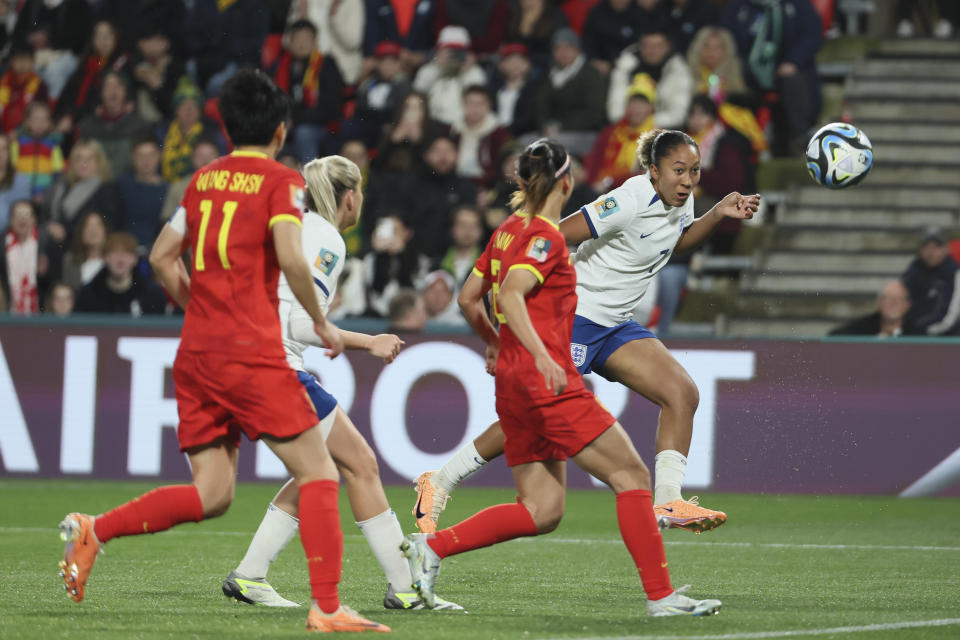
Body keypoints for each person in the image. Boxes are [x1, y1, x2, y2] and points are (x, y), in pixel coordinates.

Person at [56, 68, 389, 633]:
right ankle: (328, 608)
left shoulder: (202, 180)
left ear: (228, 127)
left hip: (197, 356)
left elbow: (163, 257)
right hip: (251, 354)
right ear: (281, 132)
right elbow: (289, 257)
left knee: (211, 494)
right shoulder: (280, 182)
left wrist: (204, 311)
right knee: (322, 471)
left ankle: (95, 530)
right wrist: (320, 322)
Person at [400, 138, 723, 617]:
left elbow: (471, 298)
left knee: (543, 510)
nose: (689, 179)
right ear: (566, 183)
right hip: (545, 371)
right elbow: (510, 294)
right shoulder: (548, 236)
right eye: (681, 169)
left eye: (695, 171)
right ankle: (661, 598)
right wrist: (540, 355)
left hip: (526, 371)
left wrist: (495, 342)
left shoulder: (509, 230)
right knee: (631, 475)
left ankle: (432, 547)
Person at [221, 155, 461, 612]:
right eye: (360, 193)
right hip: (275, 366)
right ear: (349, 196)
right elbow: (301, 324)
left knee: (316, 468)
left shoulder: (287, 226)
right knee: (362, 465)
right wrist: (367, 341)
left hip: (244, 360)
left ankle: (250, 575)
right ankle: (407, 588)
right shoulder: (326, 239)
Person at [271, 19, 345, 165]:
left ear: (315, 42)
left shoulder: (326, 65)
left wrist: (295, 120)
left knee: (304, 133)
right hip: (287, 125)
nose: (301, 43)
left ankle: (310, 182)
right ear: (289, 42)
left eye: (306, 38)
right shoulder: (279, 67)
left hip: (320, 127)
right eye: (297, 38)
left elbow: (330, 108)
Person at [538, 27, 607, 157]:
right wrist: (545, 125)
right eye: (558, 48)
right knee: (524, 142)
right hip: (553, 131)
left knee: (549, 146)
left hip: (586, 133)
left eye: (568, 47)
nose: (563, 52)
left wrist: (561, 126)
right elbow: (541, 106)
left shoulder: (590, 75)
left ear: (577, 50)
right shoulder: (549, 76)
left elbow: (594, 114)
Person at [608, 27, 694, 129]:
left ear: (667, 47)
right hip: (626, 128)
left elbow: (678, 115)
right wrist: (632, 122)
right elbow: (615, 111)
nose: (652, 51)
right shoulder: (625, 66)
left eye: (657, 46)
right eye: (647, 46)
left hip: (665, 131)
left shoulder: (679, 70)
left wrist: (646, 122)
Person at [74, 231, 167, 316]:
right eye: (115, 253)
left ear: (135, 259)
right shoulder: (88, 295)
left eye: (126, 253)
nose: (121, 259)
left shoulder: (152, 294)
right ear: (105, 258)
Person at [411, 26, 486, 127]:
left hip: (461, 126)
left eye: (458, 51)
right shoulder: (429, 69)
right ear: (438, 51)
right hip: (432, 124)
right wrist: (437, 68)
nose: (453, 55)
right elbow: (418, 92)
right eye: (449, 50)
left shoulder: (474, 72)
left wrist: (466, 72)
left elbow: (476, 97)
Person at [450, 85, 512, 189]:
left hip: (486, 186)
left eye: (480, 104)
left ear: (489, 106)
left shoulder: (499, 134)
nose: (475, 108)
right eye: (470, 103)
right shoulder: (453, 131)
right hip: (454, 183)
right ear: (463, 105)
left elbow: (502, 170)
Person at [902, 228, 960, 336]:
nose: (931, 252)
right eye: (927, 247)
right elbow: (900, 298)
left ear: (947, 249)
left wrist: (922, 331)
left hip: (944, 339)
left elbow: (950, 318)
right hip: (912, 334)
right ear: (920, 250)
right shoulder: (914, 270)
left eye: (936, 247)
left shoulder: (954, 273)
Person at [116, 138, 167, 249]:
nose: (146, 160)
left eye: (151, 155)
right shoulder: (121, 185)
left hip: (155, 250)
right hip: (125, 249)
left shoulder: (167, 189)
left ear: (159, 157)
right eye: (140, 156)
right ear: (133, 158)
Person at [829, 280, 918, 338]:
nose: (893, 304)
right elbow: (834, 336)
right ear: (879, 302)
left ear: (907, 305)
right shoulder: (864, 326)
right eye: (888, 298)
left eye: (899, 299)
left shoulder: (917, 333)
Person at [60, 210, 108, 291]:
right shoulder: (70, 260)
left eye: (98, 225)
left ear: (105, 231)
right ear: (81, 233)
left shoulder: (114, 260)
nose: (93, 230)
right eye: (87, 225)